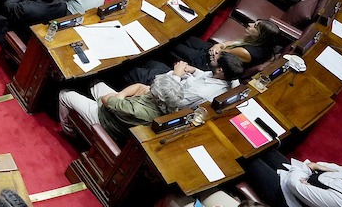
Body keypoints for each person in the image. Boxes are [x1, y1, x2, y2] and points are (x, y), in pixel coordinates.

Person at [58, 74, 186, 144]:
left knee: (64, 95)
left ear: (157, 96)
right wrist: (121, 97)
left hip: (104, 119)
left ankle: (69, 132)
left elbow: (106, 100)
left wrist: (124, 97)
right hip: (117, 106)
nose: (150, 87)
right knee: (94, 81)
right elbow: (139, 86)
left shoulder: (136, 109)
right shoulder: (169, 106)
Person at [244, 150, 342, 207]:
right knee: (265, 147)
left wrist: (311, 168)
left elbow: (293, 184)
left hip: (285, 196)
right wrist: (311, 167)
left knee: (250, 160)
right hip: (295, 172)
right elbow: (323, 164)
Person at [171, 20, 278, 74]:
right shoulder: (261, 43)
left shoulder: (245, 52)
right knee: (185, 37)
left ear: (260, 35)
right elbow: (232, 43)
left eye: (254, 26)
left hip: (208, 63)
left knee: (173, 44)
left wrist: (220, 47)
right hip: (213, 51)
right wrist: (220, 44)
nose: (250, 24)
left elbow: (219, 53)